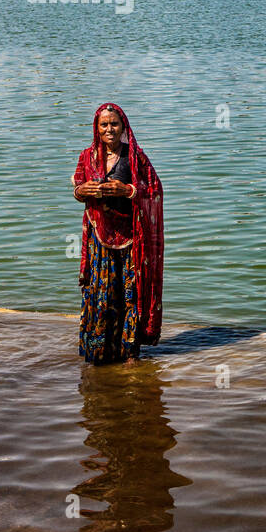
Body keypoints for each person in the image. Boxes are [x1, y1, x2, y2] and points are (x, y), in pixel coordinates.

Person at [72, 104, 164, 364]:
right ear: (97, 129)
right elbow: (78, 186)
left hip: (131, 237)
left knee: (129, 293)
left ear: (123, 127)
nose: (109, 129)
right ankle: (100, 350)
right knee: (101, 291)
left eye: (114, 124)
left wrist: (128, 191)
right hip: (98, 236)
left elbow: (155, 190)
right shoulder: (87, 156)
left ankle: (129, 353)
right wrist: (83, 191)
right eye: (104, 125)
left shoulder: (135, 157)